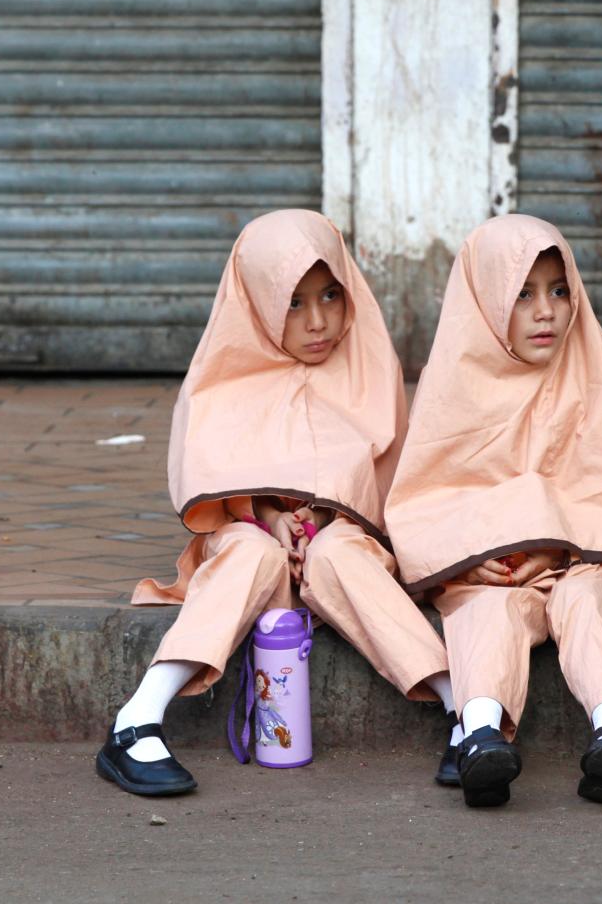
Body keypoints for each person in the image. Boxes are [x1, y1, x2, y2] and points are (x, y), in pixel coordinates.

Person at [96, 209, 460, 797]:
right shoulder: (225, 372)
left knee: (341, 554)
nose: (318, 322)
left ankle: (463, 714)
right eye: (293, 302)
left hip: (344, 536)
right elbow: (209, 471)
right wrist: (266, 517)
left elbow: (387, 478)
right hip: (249, 531)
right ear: (258, 301)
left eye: (330, 296)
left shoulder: (367, 365)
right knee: (249, 556)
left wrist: (319, 520)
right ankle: (137, 719)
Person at [385, 214, 602, 808]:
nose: (547, 311)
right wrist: (468, 561)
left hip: (589, 555)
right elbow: (428, 494)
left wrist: (562, 540)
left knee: (589, 604)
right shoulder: (452, 380)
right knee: (487, 614)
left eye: (560, 290)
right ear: (483, 300)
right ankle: (480, 736)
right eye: (523, 294)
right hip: (496, 570)